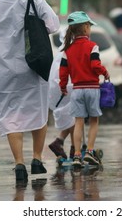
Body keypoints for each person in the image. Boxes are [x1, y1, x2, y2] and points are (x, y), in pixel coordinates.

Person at [0, 0, 60, 183]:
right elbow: (53, 25)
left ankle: (19, 164)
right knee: (38, 111)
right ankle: (37, 158)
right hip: (32, 64)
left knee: (10, 115)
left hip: (4, 68)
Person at [59, 11, 110, 168]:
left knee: (78, 123)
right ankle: (89, 151)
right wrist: (104, 72)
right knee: (94, 121)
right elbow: (95, 65)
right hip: (92, 89)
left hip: (77, 90)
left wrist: (62, 86)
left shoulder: (68, 49)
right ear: (86, 27)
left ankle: (76, 155)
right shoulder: (92, 46)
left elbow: (63, 72)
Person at [48, 28, 75, 160]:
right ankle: (75, 150)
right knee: (76, 118)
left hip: (62, 90)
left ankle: (59, 142)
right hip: (66, 90)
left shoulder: (60, 52)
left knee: (71, 119)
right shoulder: (68, 53)